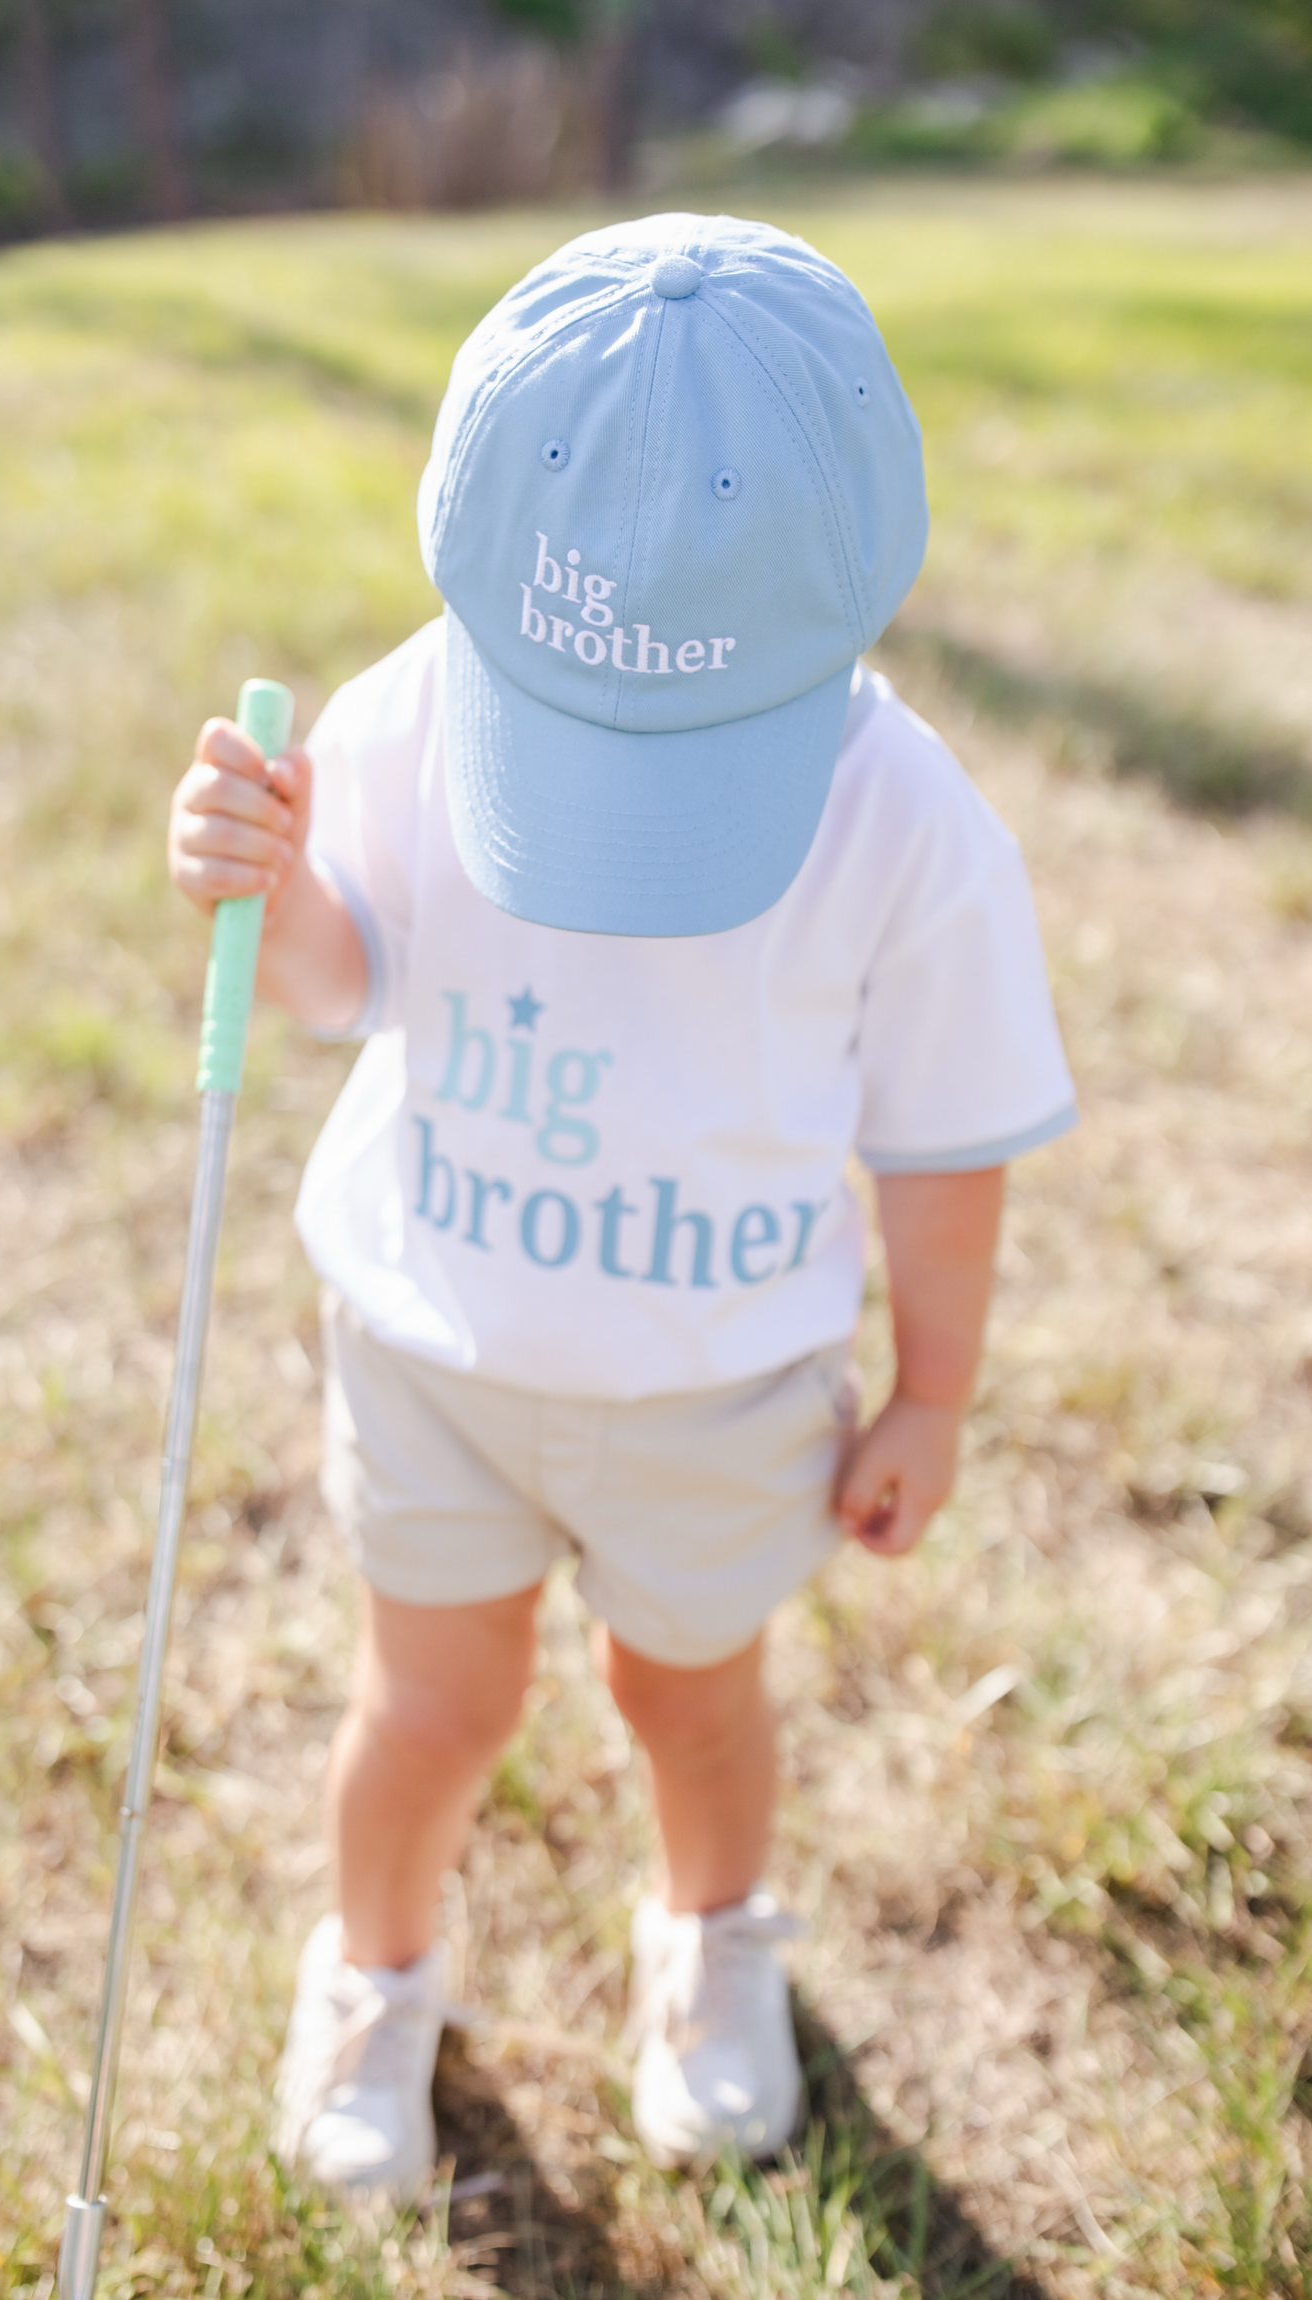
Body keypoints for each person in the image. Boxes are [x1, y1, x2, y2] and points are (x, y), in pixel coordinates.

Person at [166, 214, 1075, 2197]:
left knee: (691, 1695)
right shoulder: (419, 704)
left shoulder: (907, 824)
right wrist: (274, 890)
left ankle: (715, 1938)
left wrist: (932, 1392)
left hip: (721, 1384)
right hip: (437, 1348)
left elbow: (943, 1141)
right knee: (428, 1703)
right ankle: (375, 1972)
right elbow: (346, 981)